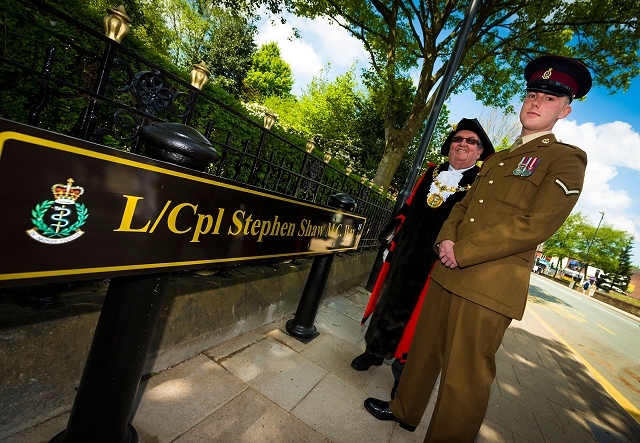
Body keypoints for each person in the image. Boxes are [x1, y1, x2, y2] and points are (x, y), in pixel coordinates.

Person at [363, 54, 592, 441]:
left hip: (489, 284)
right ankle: (404, 410)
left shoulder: (565, 159)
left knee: (464, 377)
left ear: (565, 111)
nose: (536, 102)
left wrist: (463, 251)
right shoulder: (498, 160)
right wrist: (446, 241)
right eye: (533, 94)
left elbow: (535, 224)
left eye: (549, 99)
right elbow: (463, 205)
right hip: (448, 269)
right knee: (423, 354)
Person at [351, 119, 495, 397]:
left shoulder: (479, 186)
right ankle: (374, 352)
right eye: (458, 139)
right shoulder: (430, 172)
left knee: (419, 323)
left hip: (436, 264)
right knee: (387, 302)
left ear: (479, 153)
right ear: (450, 145)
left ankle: (402, 376)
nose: (463, 143)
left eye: (471, 141)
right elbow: (408, 206)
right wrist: (392, 239)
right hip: (405, 252)